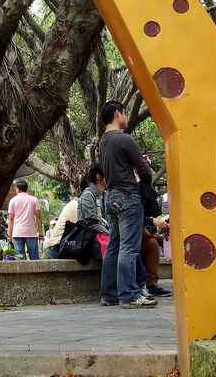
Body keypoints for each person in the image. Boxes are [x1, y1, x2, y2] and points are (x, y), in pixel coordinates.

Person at [98, 99, 156, 308]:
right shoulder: (124, 139)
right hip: (128, 196)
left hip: (111, 197)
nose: (126, 117)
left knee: (114, 245)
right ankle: (129, 295)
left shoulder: (102, 142)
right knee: (129, 247)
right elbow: (145, 170)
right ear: (117, 114)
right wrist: (145, 183)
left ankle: (108, 294)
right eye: (125, 113)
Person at [7, 179, 43, 260]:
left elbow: (11, 219)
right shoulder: (34, 200)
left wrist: (9, 234)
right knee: (34, 257)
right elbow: (38, 217)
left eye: (16, 188)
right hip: (30, 232)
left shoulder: (13, 201)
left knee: (19, 258)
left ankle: (20, 273)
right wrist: (40, 231)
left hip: (17, 233)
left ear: (18, 189)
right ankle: (36, 273)